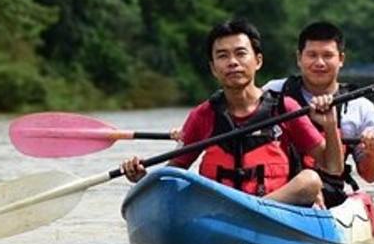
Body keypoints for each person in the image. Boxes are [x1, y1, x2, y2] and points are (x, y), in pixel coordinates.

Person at [120, 19, 342, 207]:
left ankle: (254, 211)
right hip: (219, 209)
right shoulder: (203, 115)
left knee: (310, 180)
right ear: (213, 68)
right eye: (223, 56)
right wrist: (142, 179)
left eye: (240, 53)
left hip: (274, 211)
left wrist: (330, 125)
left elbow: (333, 167)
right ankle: (239, 214)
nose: (233, 62)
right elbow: (172, 175)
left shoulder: (284, 107)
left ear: (258, 61)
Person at [264, 21, 374, 208]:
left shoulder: (360, 107)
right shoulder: (274, 92)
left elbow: (370, 175)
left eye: (328, 55)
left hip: (329, 196)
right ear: (299, 58)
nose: (319, 63)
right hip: (275, 188)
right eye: (312, 55)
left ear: (341, 59)